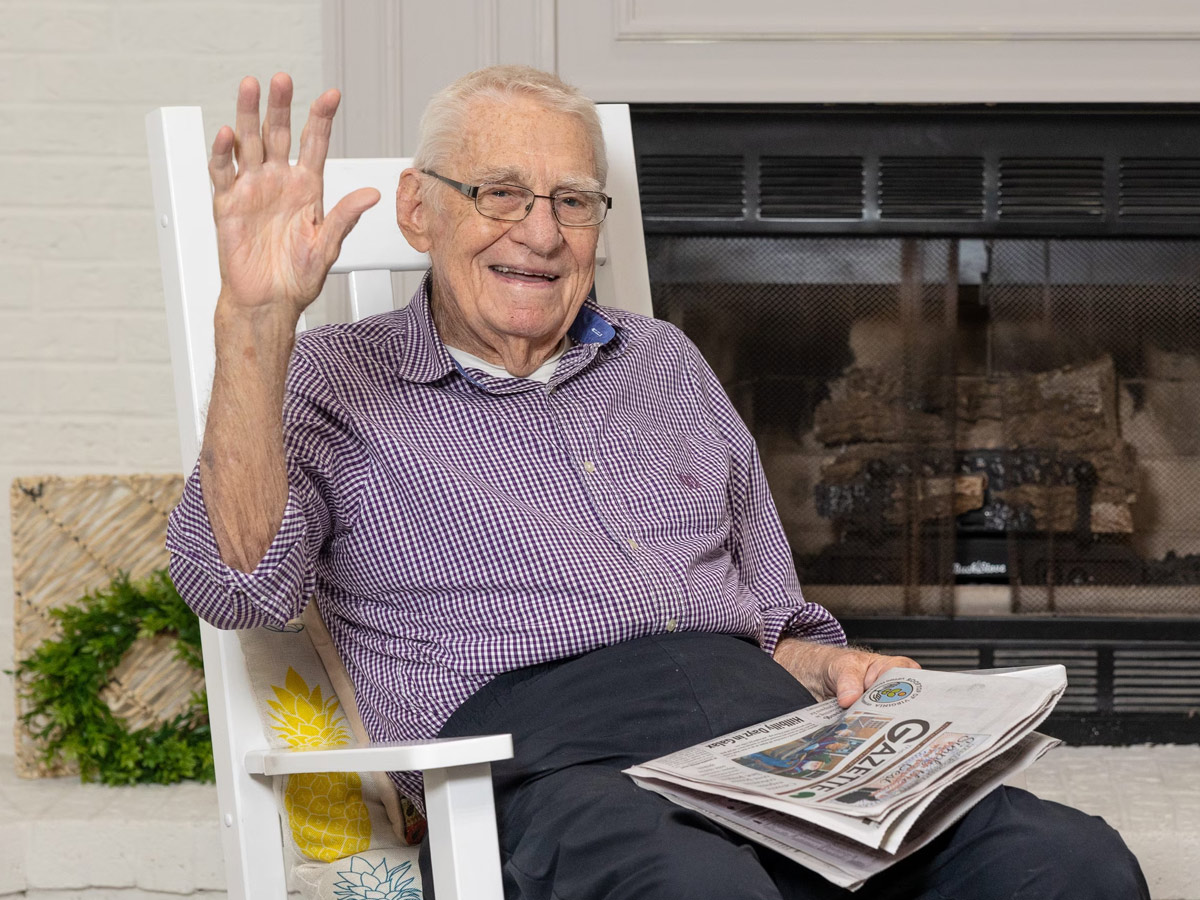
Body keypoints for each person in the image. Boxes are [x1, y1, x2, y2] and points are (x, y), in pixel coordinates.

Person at [167, 66, 1149, 900]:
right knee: (698, 890)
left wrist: (834, 670)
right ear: (421, 210)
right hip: (542, 766)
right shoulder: (329, 377)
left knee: (1068, 863)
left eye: (573, 201)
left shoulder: (664, 361)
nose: (542, 234)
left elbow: (774, 620)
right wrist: (253, 324)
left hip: (778, 747)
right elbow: (238, 585)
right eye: (500, 192)